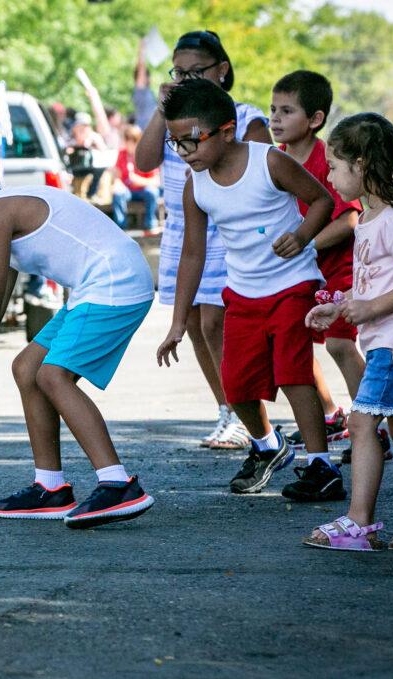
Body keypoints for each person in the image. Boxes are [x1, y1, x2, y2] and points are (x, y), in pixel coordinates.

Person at [0, 143, 156, 530]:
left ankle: (117, 482)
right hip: (99, 285)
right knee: (28, 368)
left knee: (51, 375)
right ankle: (50, 487)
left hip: (115, 282)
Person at [154, 78, 338, 499]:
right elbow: (192, 256)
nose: (185, 153)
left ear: (227, 129)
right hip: (243, 292)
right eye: (176, 143)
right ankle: (268, 447)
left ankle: (320, 464)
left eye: (192, 141)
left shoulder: (269, 161)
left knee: (293, 374)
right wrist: (178, 323)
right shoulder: (194, 184)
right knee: (235, 383)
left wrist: (302, 234)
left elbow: (323, 200)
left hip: (292, 284)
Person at [304, 113, 393, 551]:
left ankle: (359, 521)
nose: (329, 175)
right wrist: (344, 306)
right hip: (384, 340)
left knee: (362, 423)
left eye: (335, 166)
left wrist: (369, 308)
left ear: (361, 165)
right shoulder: (367, 220)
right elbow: (375, 284)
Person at [136, 30, 272, 451]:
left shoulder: (244, 117)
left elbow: (266, 174)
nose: (186, 80)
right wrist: (163, 107)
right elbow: (142, 163)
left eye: (196, 72)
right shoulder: (172, 119)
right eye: (178, 72)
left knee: (216, 322)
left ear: (222, 70)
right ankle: (226, 410)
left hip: (227, 232)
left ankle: (250, 416)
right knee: (194, 324)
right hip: (183, 231)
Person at [269, 71, 387, 469]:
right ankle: (331, 414)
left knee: (339, 344)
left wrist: (304, 243)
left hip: (341, 268)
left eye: (287, 110)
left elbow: (349, 219)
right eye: (273, 109)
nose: (276, 118)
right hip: (300, 270)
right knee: (290, 342)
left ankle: (373, 427)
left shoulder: (325, 159)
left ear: (315, 119)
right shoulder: (276, 159)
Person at [111, 126, 160, 231]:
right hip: (128, 191)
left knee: (152, 192)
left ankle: (150, 223)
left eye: (133, 141)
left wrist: (139, 181)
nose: (130, 145)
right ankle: (121, 226)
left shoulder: (146, 154)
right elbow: (117, 175)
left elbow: (156, 181)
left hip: (143, 190)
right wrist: (117, 183)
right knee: (118, 194)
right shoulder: (122, 154)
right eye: (127, 141)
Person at [133, 39, 157, 130]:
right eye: (147, 76)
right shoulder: (140, 90)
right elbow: (141, 67)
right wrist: (142, 50)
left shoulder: (148, 91)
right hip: (143, 131)